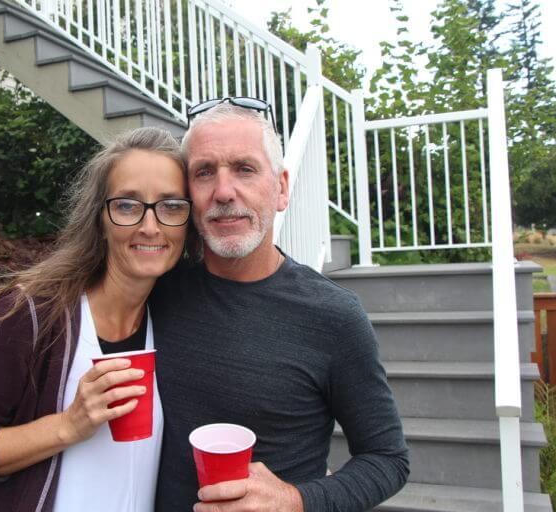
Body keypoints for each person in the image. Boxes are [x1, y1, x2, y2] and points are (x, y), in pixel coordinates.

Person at [150, 98, 409, 512]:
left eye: (244, 169)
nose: (223, 192)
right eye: (204, 172)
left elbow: (387, 459)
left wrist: (296, 500)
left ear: (282, 188)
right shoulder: (156, 292)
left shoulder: (334, 316)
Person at [0, 127, 194, 511]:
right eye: (126, 206)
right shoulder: (34, 315)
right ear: (100, 220)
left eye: (171, 206)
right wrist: (68, 425)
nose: (150, 226)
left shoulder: (174, 318)